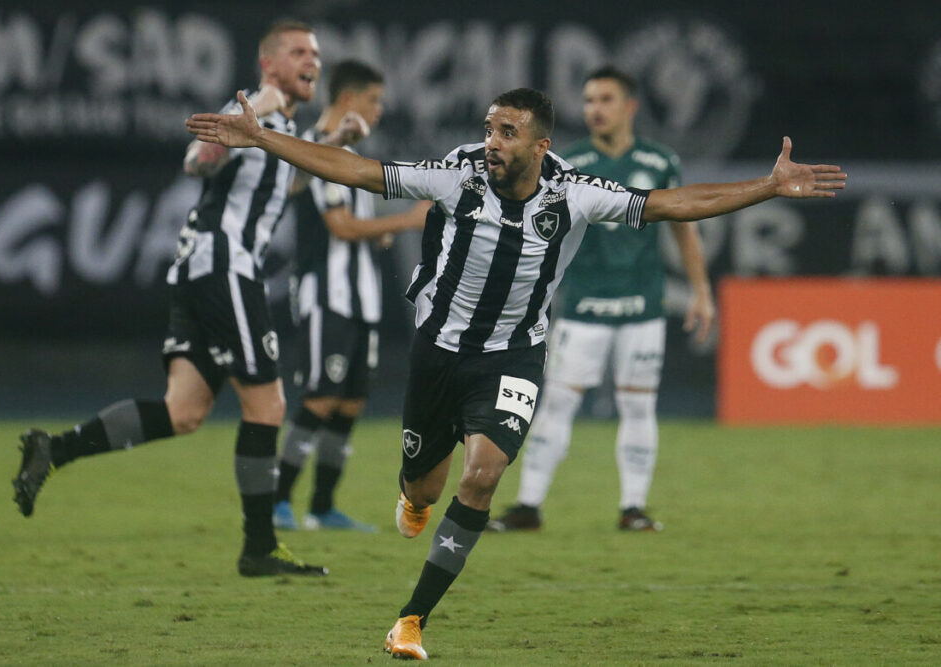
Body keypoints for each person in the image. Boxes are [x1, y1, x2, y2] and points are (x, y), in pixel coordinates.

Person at [186, 86, 845, 659]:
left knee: (483, 473)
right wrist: (259, 138)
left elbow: (671, 204)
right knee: (425, 484)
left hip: (515, 355)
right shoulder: (458, 174)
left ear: (540, 144)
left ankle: (410, 620)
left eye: (506, 132)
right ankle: (414, 494)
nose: (491, 142)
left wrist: (765, 186)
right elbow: (355, 170)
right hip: (438, 351)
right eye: (488, 128)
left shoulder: (575, 191)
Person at [11, 20, 359, 578]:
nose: (310, 61)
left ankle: (54, 449)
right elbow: (197, 161)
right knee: (267, 406)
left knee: (183, 411)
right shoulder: (260, 104)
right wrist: (214, 150)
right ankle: (259, 547)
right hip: (225, 266)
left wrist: (331, 145)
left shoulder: (275, 125)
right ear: (268, 64)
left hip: (201, 265)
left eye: (315, 52)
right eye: (298, 51)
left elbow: (277, 184)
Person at [489, 65, 714, 534]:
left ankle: (633, 507)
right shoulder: (567, 163)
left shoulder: (660, 160)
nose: (595, 109)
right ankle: (528, 505)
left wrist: (701, 292)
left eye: (605, 99)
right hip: (585, 306)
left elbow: (683, 231)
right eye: (589, 100)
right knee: (556, 405)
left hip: (642, 308)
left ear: (629, 106)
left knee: (638, 406)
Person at [272, 60, 430, 532]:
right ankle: (277, 501)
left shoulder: (348, 155)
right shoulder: (317, 152)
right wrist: (404, 220)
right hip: (329, 296)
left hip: (360, 296)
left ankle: (321, 506)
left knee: (350, 400)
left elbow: (354, 225)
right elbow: (339, 227)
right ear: (347, 100)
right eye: (373, 100)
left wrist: (378, 233)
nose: (378, 111)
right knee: (321, 395)